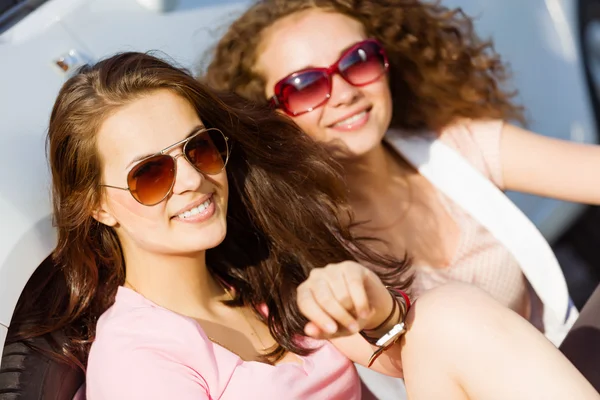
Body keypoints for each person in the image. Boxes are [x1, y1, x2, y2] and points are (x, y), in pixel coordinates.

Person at [44, 52, 598, 399]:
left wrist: (377, 309)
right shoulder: (140, 362)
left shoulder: (258, 274)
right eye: (151, 174)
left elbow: (425, 355)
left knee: (448, 313)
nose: (191, 179)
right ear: (99, 206)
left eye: (201, 148)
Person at [204, 0, 600, 345]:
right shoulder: (293, 244)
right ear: (267, 115)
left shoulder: (454, 147)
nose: (345, 93)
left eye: (358, 60)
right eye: (306, 86)